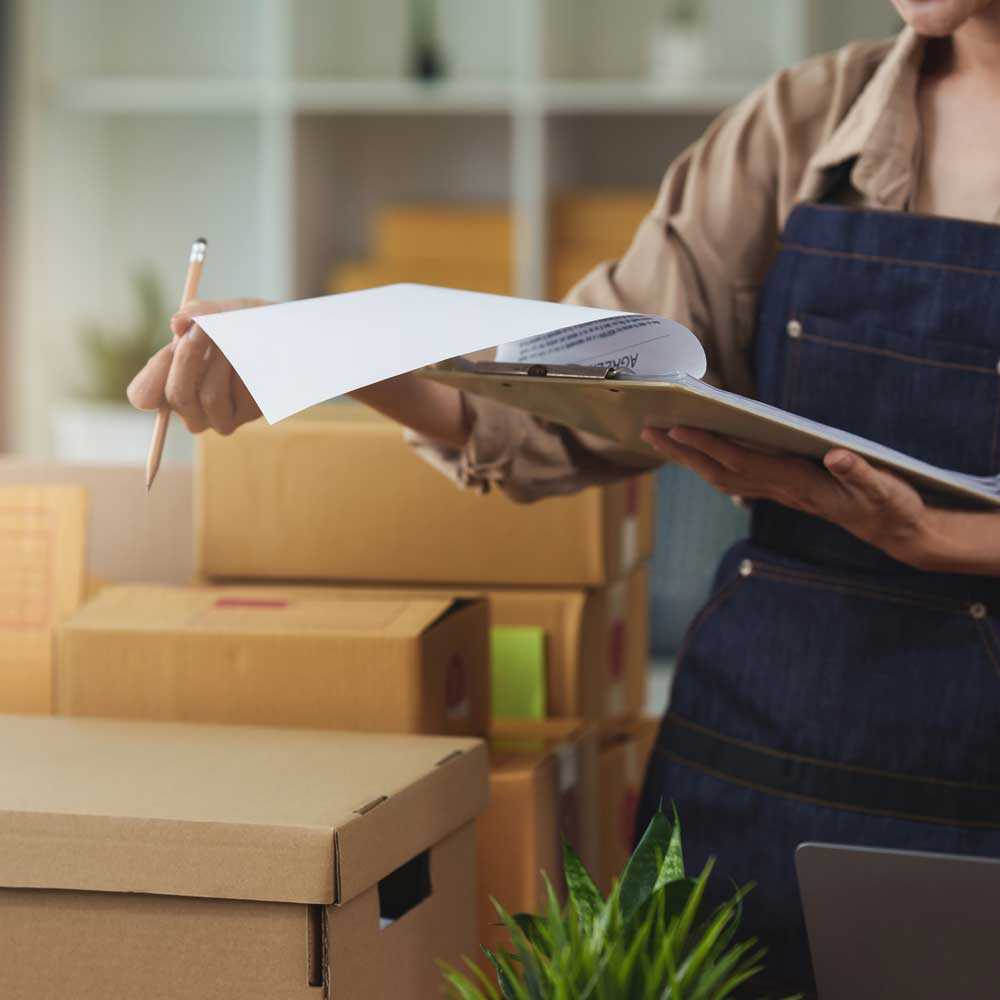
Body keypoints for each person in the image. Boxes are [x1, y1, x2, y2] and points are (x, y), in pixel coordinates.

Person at [128, 0, 1000, 990]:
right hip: (765, 776)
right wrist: (312, 352)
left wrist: (946, 540)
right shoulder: (802, 123)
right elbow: (576, 391)